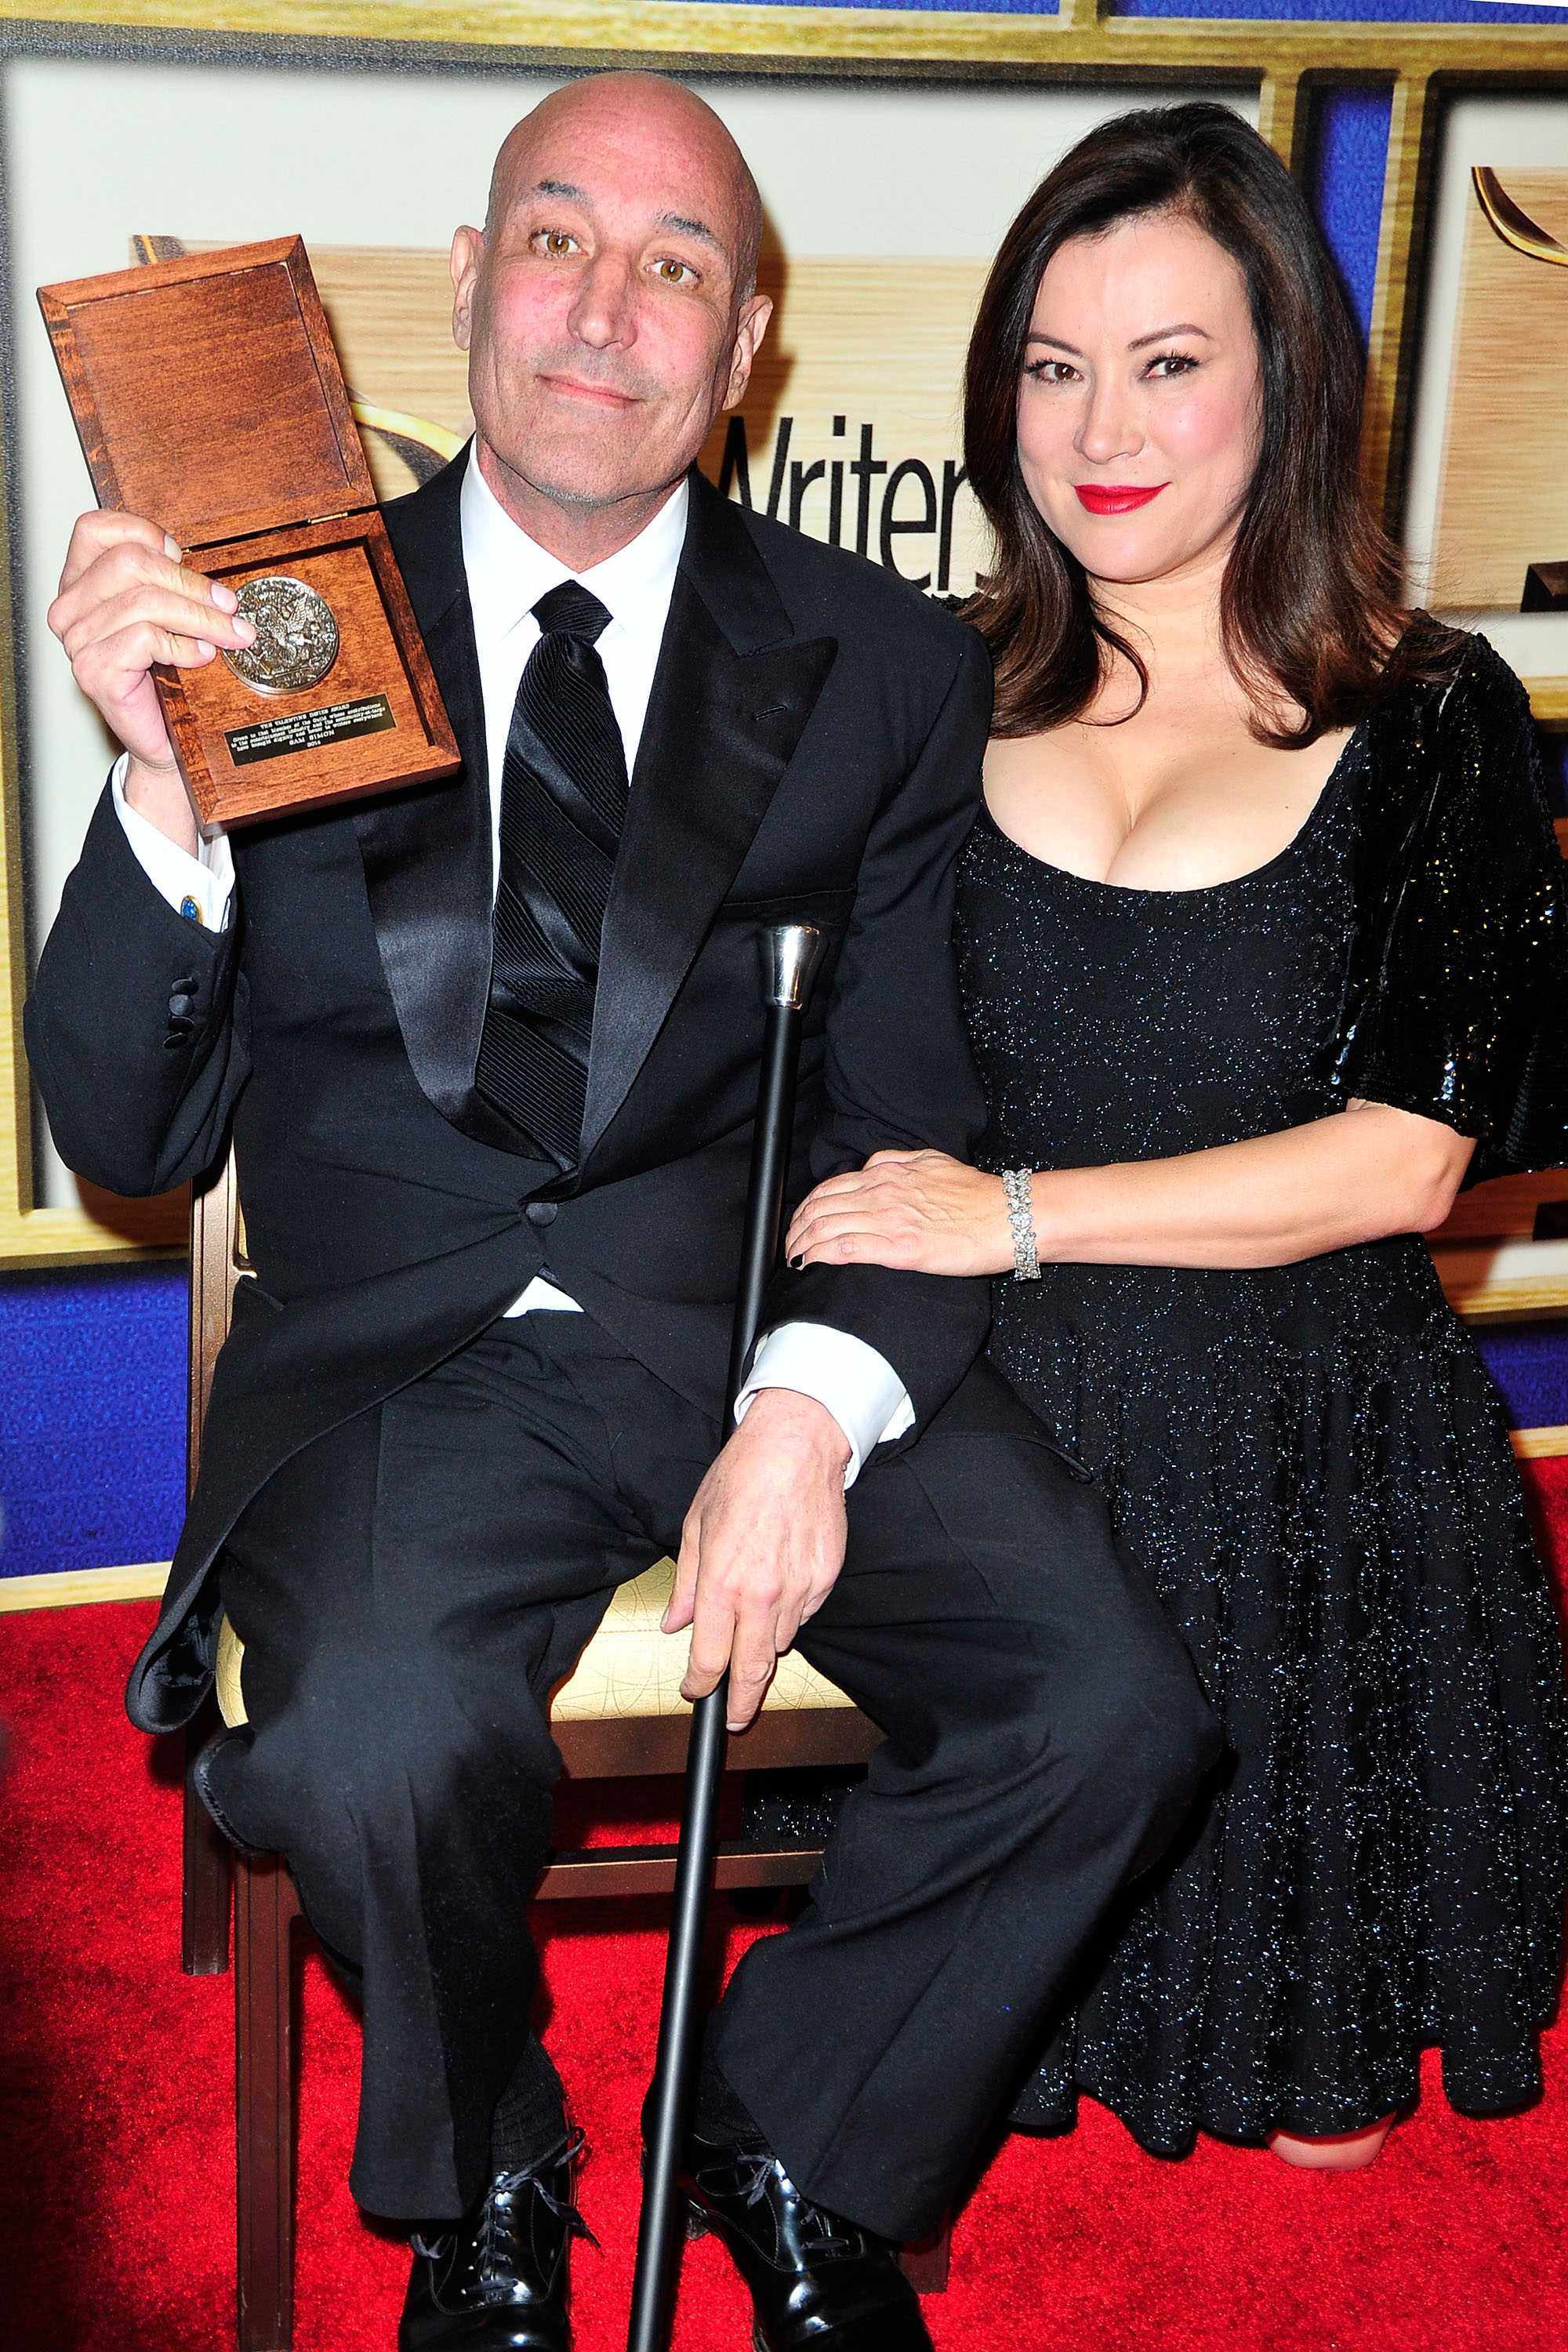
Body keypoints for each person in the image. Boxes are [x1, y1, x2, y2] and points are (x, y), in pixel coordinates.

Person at [27, 74, 1218, 2352]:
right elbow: (126, 1130)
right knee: (372, 1738)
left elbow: (909, 1108)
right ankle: (492, 2176)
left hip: (741, 1312)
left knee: (1114, 1704)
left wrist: (809, 1410)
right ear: (470, 285)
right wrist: (159, 791)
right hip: (402, 1357)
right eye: (557, 241)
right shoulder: (267, 616)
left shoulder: (878, 665)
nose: (609, 308)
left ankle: (783, 2131)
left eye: (678, 266)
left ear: (748, 339)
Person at [785, 101, 1568, 2176]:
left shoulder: (1432, 720)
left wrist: (1015, 1216)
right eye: (1052, 365)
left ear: (1284, 382)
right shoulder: (932, 690)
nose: (1095, 424)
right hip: (997, 1435)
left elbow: (1413, 1164)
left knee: (1324, 2157)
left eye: (1167, 361)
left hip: (1315, 1460)